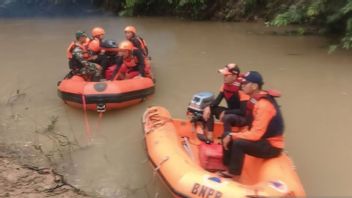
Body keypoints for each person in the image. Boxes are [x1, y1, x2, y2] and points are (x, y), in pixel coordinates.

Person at [220, 71, 284, 178]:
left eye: (245, 83)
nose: (242, 85)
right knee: (226, 134)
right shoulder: (256, 100)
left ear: (254, 86)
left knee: (238, 143)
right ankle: (226, 166)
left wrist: (233, 135)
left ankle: (234, 174)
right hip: (262, 139)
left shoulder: (264, 106)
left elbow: (255, 135)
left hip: (272, 146)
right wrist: (231, 134)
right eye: (242, 82)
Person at [202, 63, 249, 141]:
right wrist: (208, 107)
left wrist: (226, 112)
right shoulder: (224, 86)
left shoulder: (242, 88)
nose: (224, 77)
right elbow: (217, 101)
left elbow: (243, 111)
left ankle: (227, 140)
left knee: (227, 117)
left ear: (234, 76)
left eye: (226, 75)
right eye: (224, 75)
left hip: (243, 118)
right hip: (230, 112)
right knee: (209, 108)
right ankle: (210, 135)